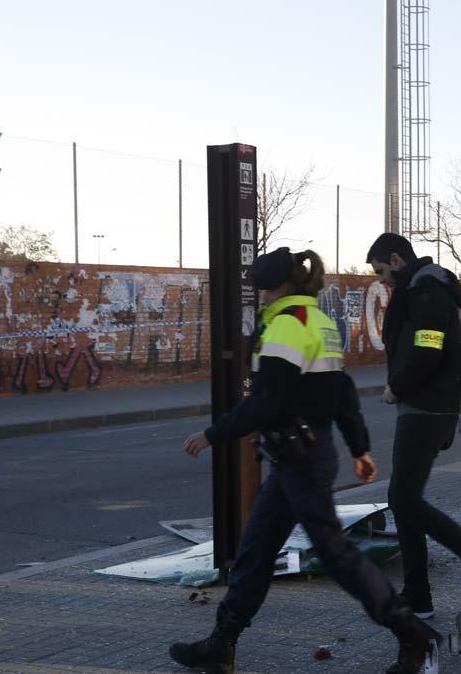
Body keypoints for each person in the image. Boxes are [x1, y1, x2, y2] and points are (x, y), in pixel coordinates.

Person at [170, 247, 439, 674]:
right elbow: (342, 394)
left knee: (338, 557)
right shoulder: (319, 321)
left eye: (260, 290)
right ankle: (221, 646)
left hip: (301, 461)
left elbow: (264, 403)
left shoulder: (285, 328)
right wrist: (359, 448)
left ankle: (415, 637)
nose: (257, 297)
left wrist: (212, 435)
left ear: (276, 288)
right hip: (299, 457)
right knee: (255, 552)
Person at [367, 233, 461, 628]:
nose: (382, 282)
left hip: (427, 407)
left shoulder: (426, 288)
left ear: (396, 260)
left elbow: (429, 345)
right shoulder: (420, 286)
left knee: (405, 499)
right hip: (424, 405)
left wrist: (399, 384)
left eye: (382, 272)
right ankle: (418, 595)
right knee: (404, 498)